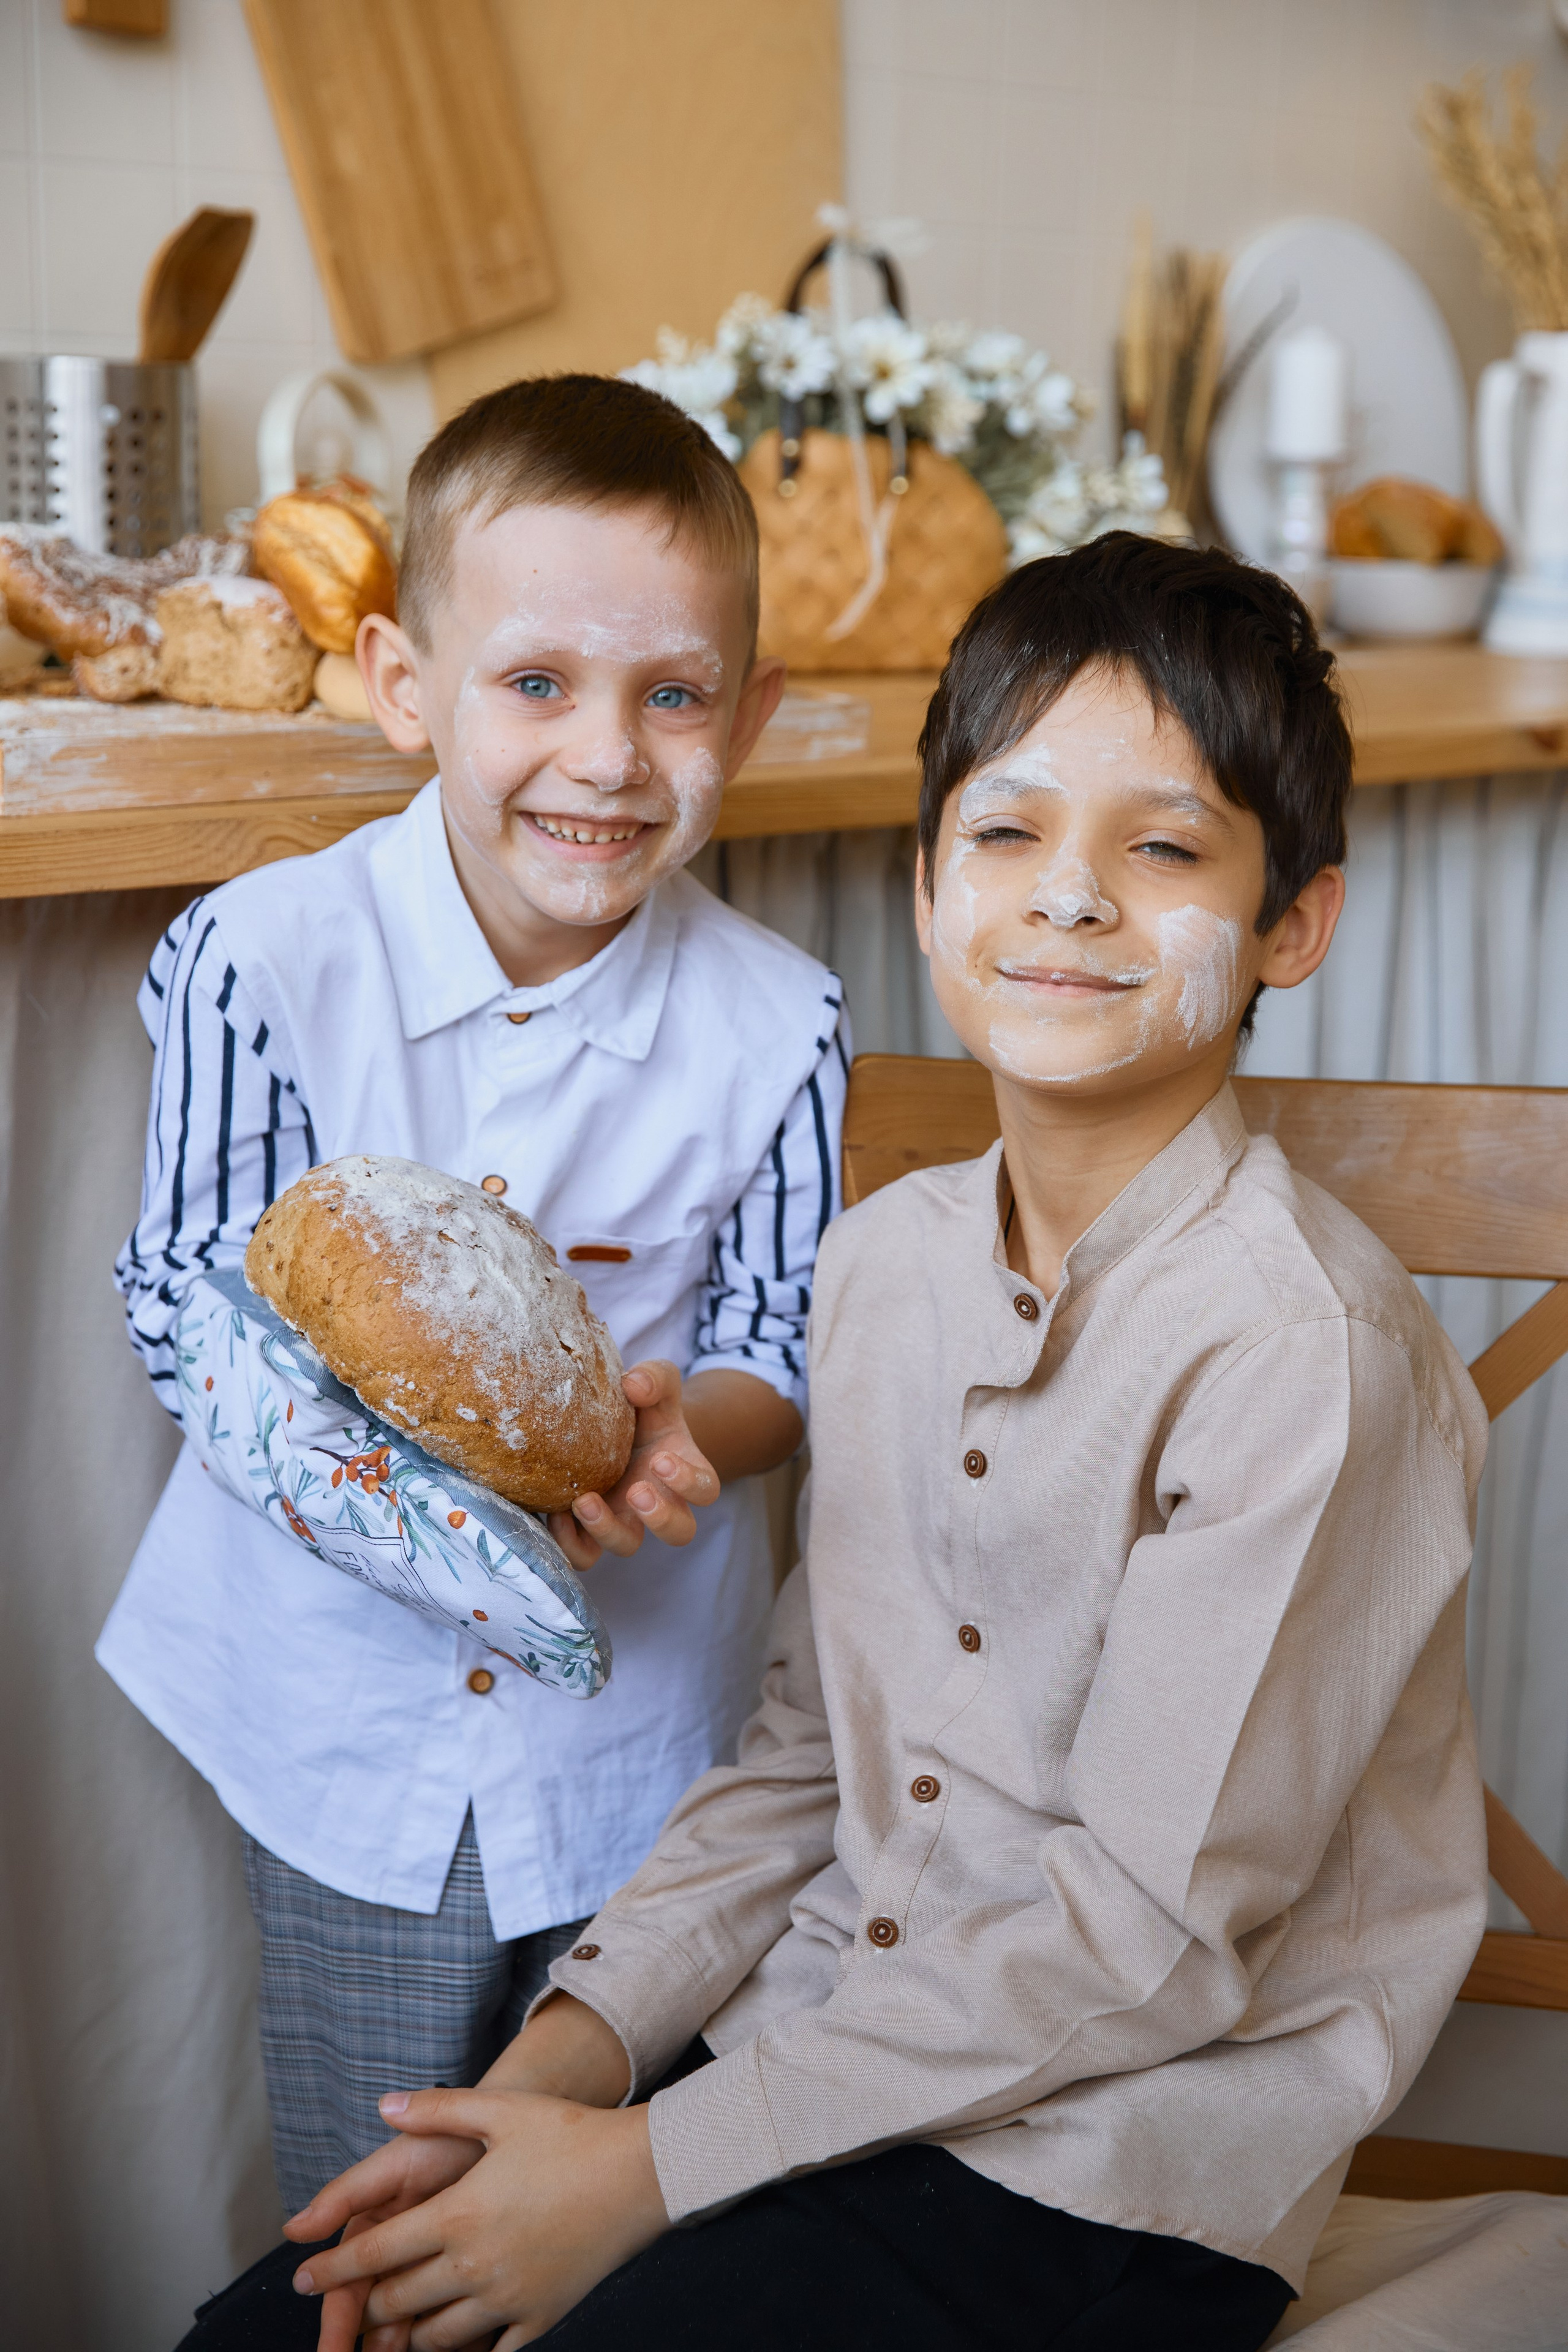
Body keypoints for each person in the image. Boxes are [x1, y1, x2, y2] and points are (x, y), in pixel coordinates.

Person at [201, 534, 1490, 2352]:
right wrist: (556, 2076)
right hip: (815, 2050)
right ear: (928, 883)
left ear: (1294, 923)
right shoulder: (883, 1267)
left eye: (1165, 849)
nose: (1069, 899)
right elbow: (811, 1760)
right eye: (1008, 832)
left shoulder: (1303, 1351)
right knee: (283, 2328)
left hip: (1118, 2160)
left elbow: (1142, 1935)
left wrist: (642, 2173)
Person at [100, 374, 851, 2225]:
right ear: (402, 683)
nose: (607, 756)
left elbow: (776, 1350)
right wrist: (414, 1514)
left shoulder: (783, 1023)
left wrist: (684, 1435)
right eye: (536, 682)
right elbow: (186, 1301)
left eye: (672, 695)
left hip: (645, 1762)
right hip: (340, 1739)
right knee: (382, 2199)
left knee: (601, 2223)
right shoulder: (264, 961)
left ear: (749, 718)